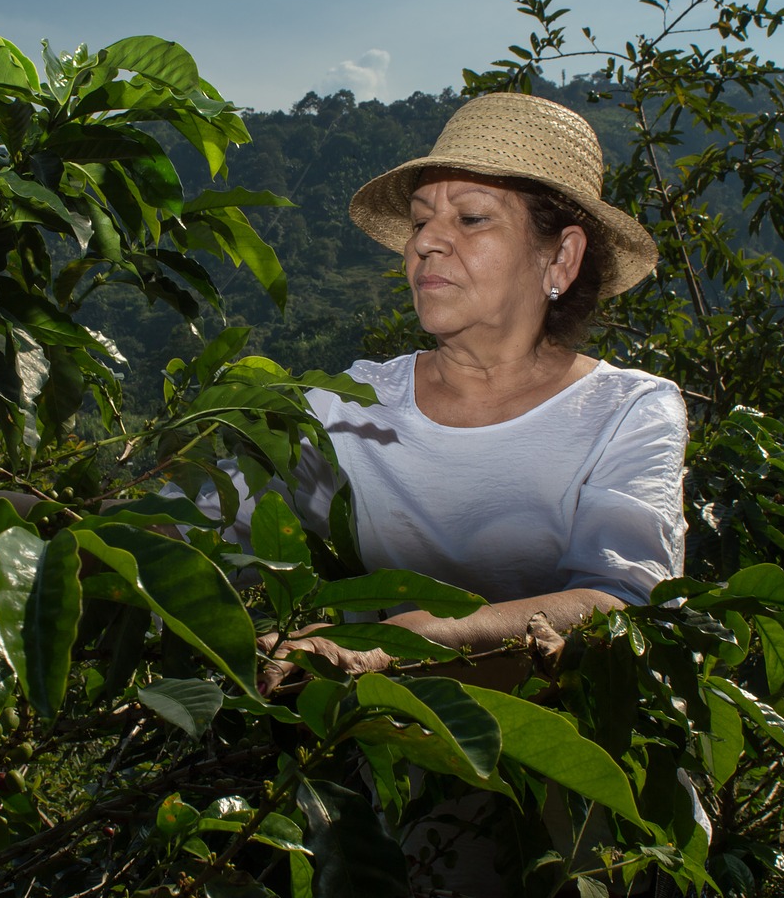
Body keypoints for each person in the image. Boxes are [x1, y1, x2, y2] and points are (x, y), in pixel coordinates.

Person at [246, 92, 687, 689]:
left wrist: (403, 645)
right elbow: (200, 514)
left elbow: (624, 599)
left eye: (471, 218)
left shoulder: (626, 410)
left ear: (560, 257)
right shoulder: (344, 406)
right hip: (377, 769)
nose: (427, 241)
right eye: (421, 219)